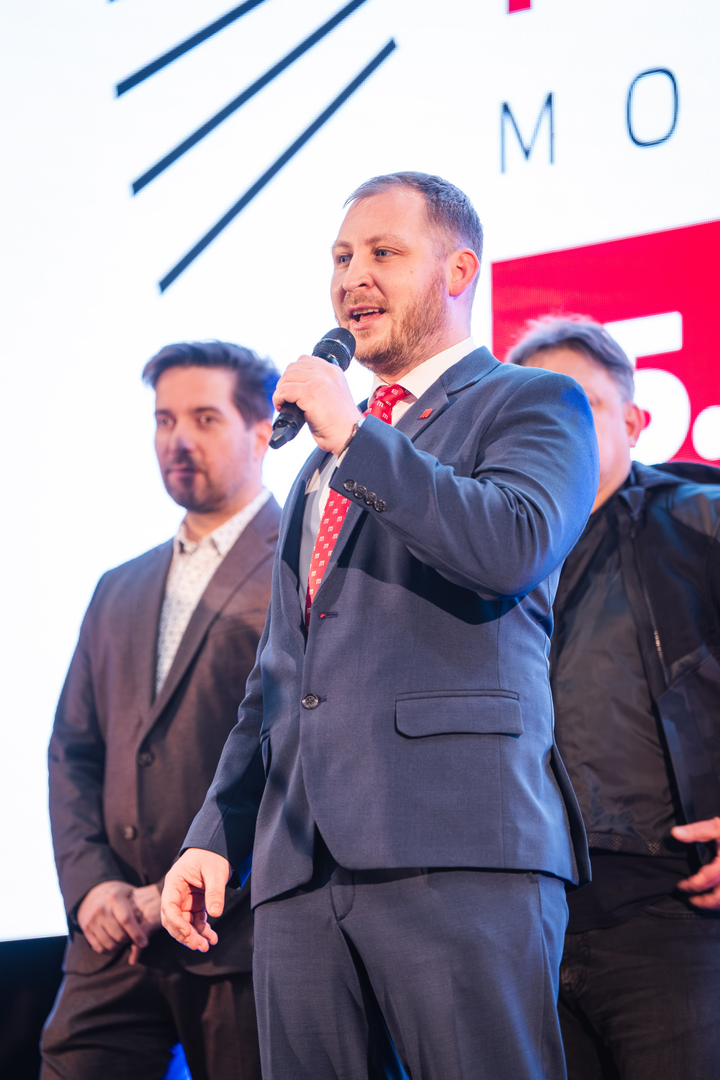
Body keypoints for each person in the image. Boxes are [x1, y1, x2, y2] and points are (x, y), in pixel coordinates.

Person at [162, 173, 600, 1080]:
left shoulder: (530, 403)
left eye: (383, 253)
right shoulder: (323, 462)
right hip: (299, 867)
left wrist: (357, 437)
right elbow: (281, 672)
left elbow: (509, 545)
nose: (352, 276)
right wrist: (216, 828)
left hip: (459, 850)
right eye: (341, 257)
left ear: (459, 271)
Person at [42, 341, 280, 1080]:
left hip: (238, 935)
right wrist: (92, 887)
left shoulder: (304, 569)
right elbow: (74, 751)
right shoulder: (118, 586)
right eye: (164, 419)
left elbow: (308, 760)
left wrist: (197, 885)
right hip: (115, 939)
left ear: (262, 432)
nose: (178, 439)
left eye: (205, 418)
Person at [508, 316, 720, 1079]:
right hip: (521, 929)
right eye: (535, 408)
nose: (556, 426)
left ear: (632, 422)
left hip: (671, 911)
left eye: (582, 404)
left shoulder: (700, 520)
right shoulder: (489, 557)